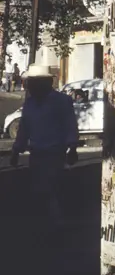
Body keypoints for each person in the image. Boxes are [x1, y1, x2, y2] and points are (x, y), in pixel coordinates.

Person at [9, 64, 79, 228]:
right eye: (30, 83)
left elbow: (70, 125)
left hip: (55, 153)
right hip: (36, 153)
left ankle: (56, 224)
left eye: (35, 83)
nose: (31, 87)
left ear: (47, 83)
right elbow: (24, 129)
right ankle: (45, 223)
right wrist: (16, 151)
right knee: (38, 190)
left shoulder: (62, 101)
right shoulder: (30, 104)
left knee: (51, 189)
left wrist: (73, 147)